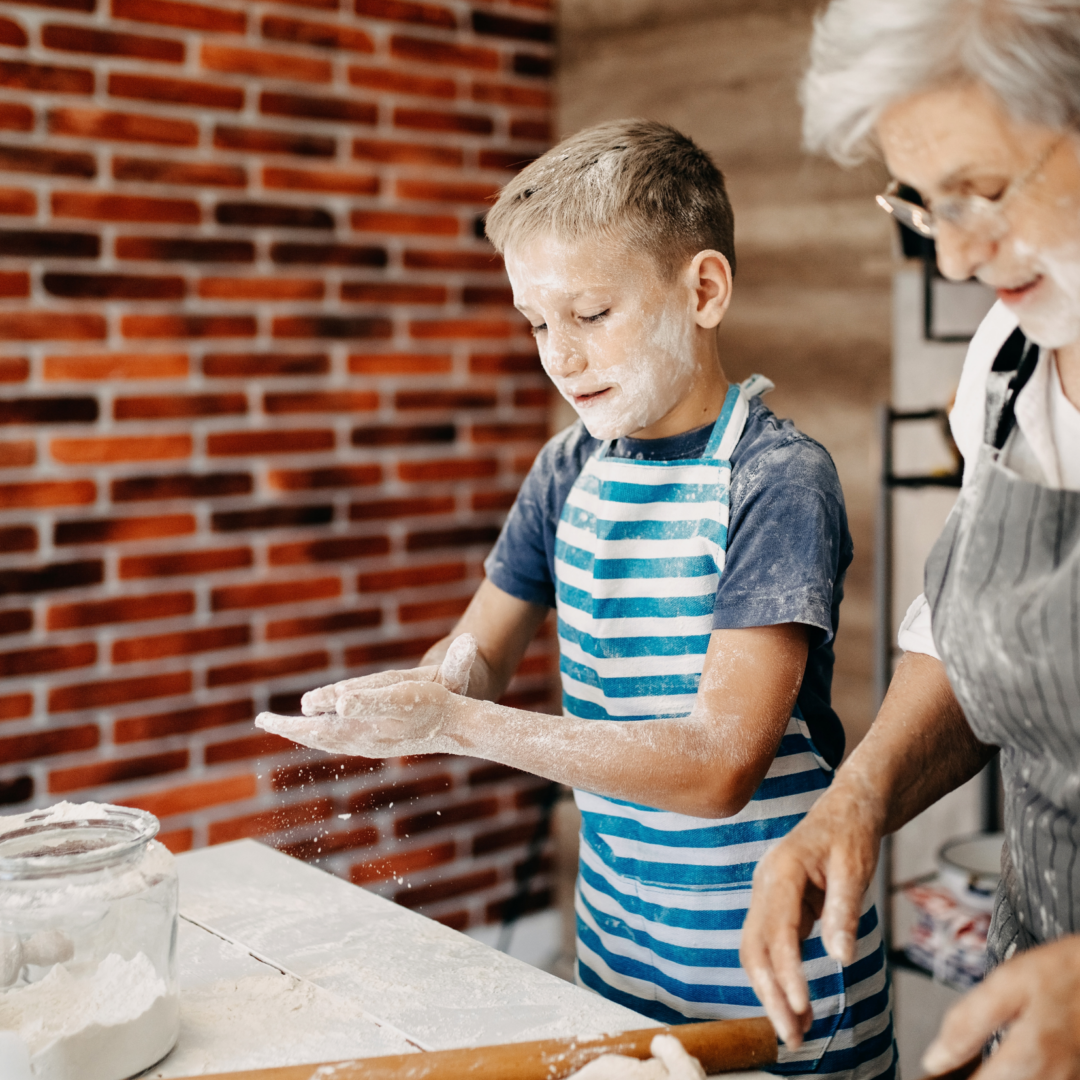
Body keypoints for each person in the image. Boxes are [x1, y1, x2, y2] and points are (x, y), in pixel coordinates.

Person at [260, 119, 894, 1078]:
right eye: (536, 322)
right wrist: (419, 696)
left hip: (773, 960)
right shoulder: (568, 468)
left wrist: (456, 722)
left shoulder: (775, 479)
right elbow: (479, 651)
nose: (560, 355)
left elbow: (719, 767)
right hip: (616, 943)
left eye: (591, 314)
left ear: (704, 289)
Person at [737, 2, 1080, 1078]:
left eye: (983, 191)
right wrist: (858, 798)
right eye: (925, 204)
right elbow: (982, 631)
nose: (957, 255)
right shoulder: (1011, 361)